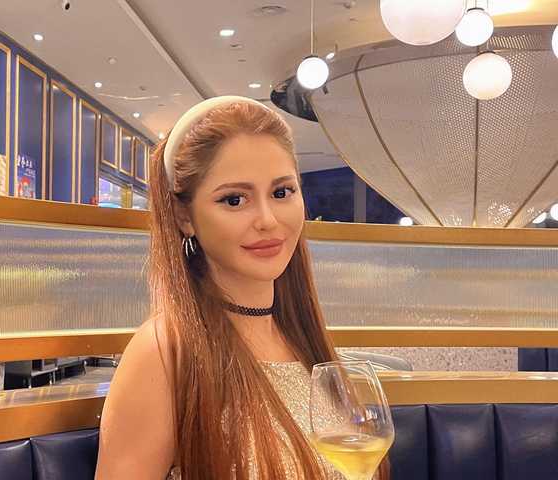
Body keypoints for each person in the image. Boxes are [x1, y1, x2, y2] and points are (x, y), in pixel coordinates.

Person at [95, 96, 391, 479]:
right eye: (234, 200)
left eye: (282, 193)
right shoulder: (165, 351)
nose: (267, 219)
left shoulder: (301, 337)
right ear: (185, 216)